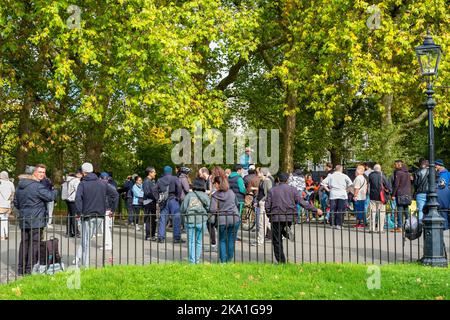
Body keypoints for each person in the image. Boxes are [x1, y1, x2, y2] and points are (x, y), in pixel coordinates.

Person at [265, 173, 322, 263]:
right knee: (283, 226)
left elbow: (267, 205)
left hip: (276, 217)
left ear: (278, 180)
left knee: (276, 240)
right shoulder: (293, 190)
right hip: (289, 216)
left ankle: (281, 261)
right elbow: (302, 202)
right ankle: (286, 230)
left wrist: (270, 215)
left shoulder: (272, 190)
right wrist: (315, 210)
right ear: (287, 180)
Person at [14, 164, 57, 275]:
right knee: (34, 244)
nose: (42, 174)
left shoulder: (20, 186)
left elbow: (16, 203)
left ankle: (21, 269)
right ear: (34, 173)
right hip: (36, 219)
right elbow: (50, 197)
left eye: (43, 172)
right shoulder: (37, 186)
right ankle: (29, 269)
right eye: (39, 172)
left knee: (24, 243)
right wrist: (54, 189)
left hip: (24, 217)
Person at [74, 163, 118, 267]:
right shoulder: (102, 183)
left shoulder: (83, 184)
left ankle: (85, 266)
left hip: (87, 215)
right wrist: (113, 209)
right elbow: (115, 194)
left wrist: (79, 212)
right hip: (100, 216)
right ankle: (77, 258)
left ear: (84, 172)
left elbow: (78, 199)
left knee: (86, 240)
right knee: (87, 239)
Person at [210, 175, 240, 263]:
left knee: (222, 240)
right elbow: (237, 203)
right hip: (235, 218)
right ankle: (229, 259)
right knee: (231, 239)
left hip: (222, 219)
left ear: (218, 184)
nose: (214, 185)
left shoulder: (215, 195)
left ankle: (223, 261)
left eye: (214, 183)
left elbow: (212, 209)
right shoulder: (231, 192)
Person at [180, 178, 210, 264]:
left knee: (191, 241)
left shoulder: (189, 195)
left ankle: (192, 261)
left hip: (190, 220)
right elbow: (209, 207)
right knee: (199, 241)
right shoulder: (205, 196)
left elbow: (183, 208)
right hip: (201, 220)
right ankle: (197, 260)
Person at [157, 166, 185, 243]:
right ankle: (176, 238)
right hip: (173, 199)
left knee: (163, 218)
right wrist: (178, 197)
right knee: (176, 218)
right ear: (171, 171)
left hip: (164, 200)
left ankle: (161, 237)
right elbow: (179, 187)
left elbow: (155, 189)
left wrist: (158, 198)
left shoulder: (160, 180)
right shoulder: (175, 178)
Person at [320, 165, 353, 229]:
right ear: (341, 169)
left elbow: (323, 183)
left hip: (333, 194)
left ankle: (332, 224)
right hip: (342, 194)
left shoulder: (331, 176)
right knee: (341, 210)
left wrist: (328, 190)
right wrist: (347, 190)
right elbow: (351, 184)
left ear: (335, 169)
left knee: (333, 209)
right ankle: (339, 224)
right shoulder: (344, 176)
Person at [368, 164, 392, 233]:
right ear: (380, 169)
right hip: (381, 197)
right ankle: (380, 229)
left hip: (372, 196)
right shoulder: (382, 176)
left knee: (372, 212)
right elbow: (387, 186)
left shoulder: (371, 175)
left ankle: (371, 229)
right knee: (381, 213)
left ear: (374, 169)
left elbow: (368, 184)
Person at [252, 167, 272, 246]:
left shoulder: (267, 181)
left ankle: (260, 241)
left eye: (259, 172)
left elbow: (269, 193)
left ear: (263, 173)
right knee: (266, 223)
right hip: (260, 203)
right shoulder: (262, 181)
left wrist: (261, 201)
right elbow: (260, 192)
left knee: (261, 223)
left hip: (264, 204)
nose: (258, 174)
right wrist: (257, 201)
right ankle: (281, 234)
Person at [99, 172, 119, 250]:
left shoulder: (107, 186)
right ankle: (108, 243)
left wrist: (113, 210)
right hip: (106, 208)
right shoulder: (109, 186)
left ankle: (108, 244)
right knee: (104, 227)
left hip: (106, 209)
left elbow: (116, 196)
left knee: (105, 227)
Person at [392, 160, 412, 232]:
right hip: (408, 193)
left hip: (400, 194)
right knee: (406, 210)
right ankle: (409, 225)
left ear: (399, 165)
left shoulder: (398, 173)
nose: (394, 166)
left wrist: (393, 194)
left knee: (399, 210)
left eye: (395, 164)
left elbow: (396, 185)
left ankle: (400, 227)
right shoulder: (408, 173)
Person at [64, 170, 82, 238]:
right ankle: (76, 232)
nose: (82, 176)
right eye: (81, 174)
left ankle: (68, 232)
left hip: (68, 199)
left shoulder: (68, 180)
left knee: (69, 215)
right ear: (78, 174)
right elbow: (78, 191)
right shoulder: (76, 181)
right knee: (74, 216)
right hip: (73, 200)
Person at [143, 167, 158, 241]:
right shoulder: (146, 181)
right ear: (150, 173)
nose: (155, 173)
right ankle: (148, 235)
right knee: (149, 219)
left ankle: (152, 235)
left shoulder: (151, 181)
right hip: (148, 202)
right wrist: (156, 197)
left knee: (153, 218)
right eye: (154, 172)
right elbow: (147, 192)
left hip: (152, 202)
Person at [0, 171, 15, 240]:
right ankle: (6, 234)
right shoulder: (10, 183)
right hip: (7, 205)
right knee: (5, 220)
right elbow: (13, 193)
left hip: (1, 204)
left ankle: (2, 235)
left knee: (2, 220)